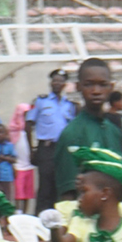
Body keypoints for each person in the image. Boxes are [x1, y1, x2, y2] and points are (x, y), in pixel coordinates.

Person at [52, 59, 122, 201]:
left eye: (102, 85)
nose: (96, 91)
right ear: (78, 87)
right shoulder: (71, 134)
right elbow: (68, 194)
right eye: (89, 84)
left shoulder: (114, 132)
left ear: (111, 87)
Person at [25, 68, 78, 213]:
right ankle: (39, 219)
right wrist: (32, 150)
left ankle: (56, 220)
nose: (57, 83)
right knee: (45, 186)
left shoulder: (70, 105)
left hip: (64, 150)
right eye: (54, 80)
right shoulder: (41, 101)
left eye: (60, 81)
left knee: (60, 184)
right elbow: (28, 123)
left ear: (64, 84)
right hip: (46, 148)